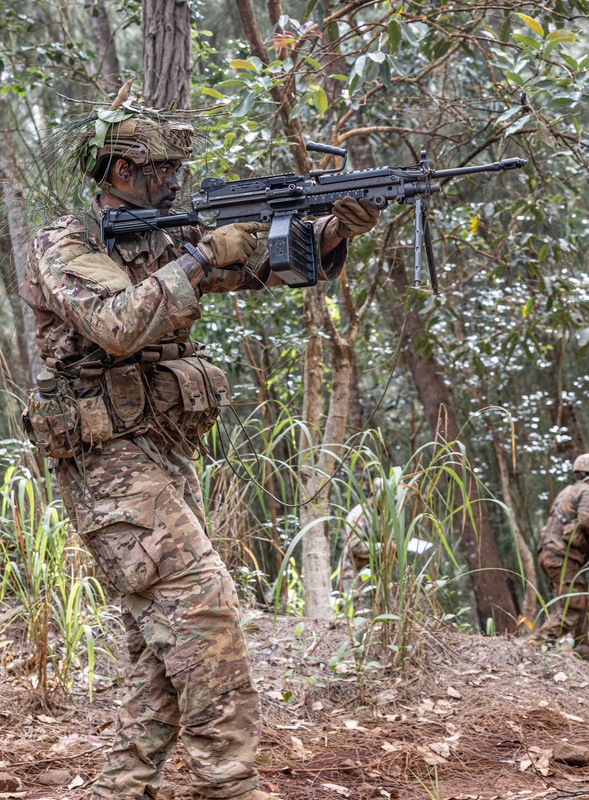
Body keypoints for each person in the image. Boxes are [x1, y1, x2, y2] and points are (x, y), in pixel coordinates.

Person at [19, 95, 382, 800]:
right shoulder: (67, 245)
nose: (178, 184)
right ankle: (228, 783)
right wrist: (199, 255)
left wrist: (336, 227)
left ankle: (121, 788)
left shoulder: (163, 240)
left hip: (161, 454)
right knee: (203, 609)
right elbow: (120, 323)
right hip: (106, 463)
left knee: (161, 647)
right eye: (165, 171)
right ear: (122, 168)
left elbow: (265, 267)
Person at [532, 453, 589, 661]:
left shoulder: (568, 491)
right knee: (571, 608)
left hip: (552, 554)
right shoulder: (587, 491)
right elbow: (586, 519)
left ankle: (584, 655)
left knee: (580, 603)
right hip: (562, 556)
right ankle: (535, 649)